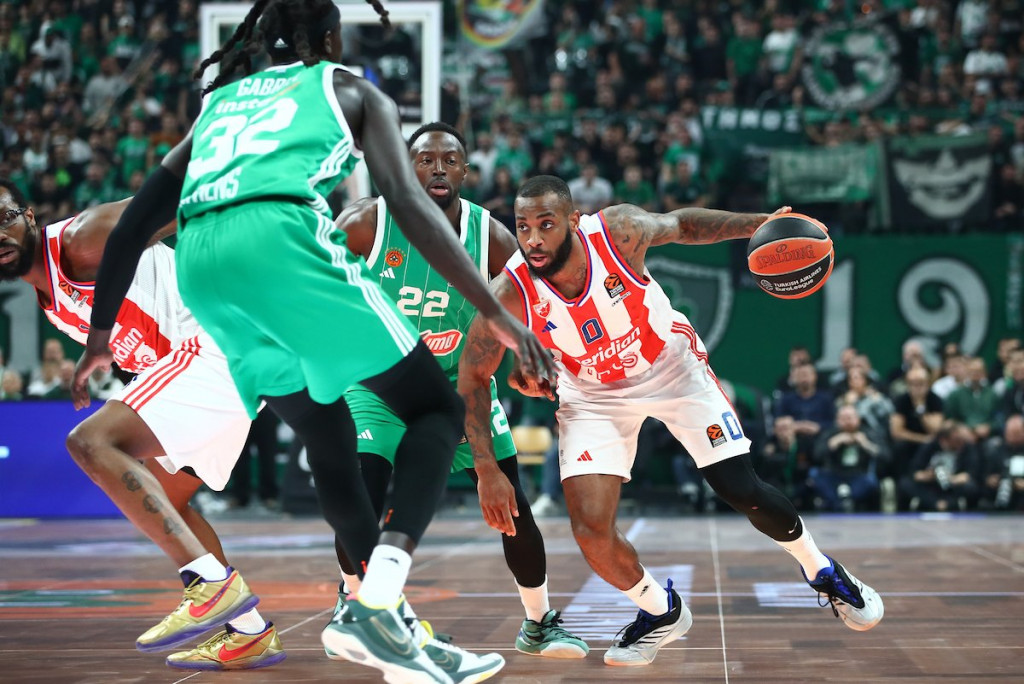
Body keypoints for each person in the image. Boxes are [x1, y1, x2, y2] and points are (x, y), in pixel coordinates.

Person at [72, 2, 552, 682]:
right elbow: (408, 204)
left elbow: (131, 228)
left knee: (328, 434)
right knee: (437, 408)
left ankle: (373, 617)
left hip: (202, 267)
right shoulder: (348, 88)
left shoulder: (219, 105)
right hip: (280, 241)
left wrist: (99, 337)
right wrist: (495, 311)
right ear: (330, 38)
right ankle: (378, 599)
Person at [459, 176, 883, 667]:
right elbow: (472, 376)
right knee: (591, 532)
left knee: (739, 487)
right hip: (592, 393)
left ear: (573, 221)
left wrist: (758, 225)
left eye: (546, 225)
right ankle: (662, 611)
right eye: (523, 227)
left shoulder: (618, 232)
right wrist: (488, 468)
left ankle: (821, 569)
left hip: (669, 365)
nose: (532, 239)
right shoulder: (508, 293)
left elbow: (683, 225)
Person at [0, 181, 284, 670]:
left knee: (90, 441)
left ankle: (210, 584)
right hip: (214, 366)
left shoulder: (81, 240)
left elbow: (188, 200)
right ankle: (248, 633)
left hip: (219, 342)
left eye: (2, 218)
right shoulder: (48, 294)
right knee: (166, 503)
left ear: (27, 215)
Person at [334, 121, 588, 659]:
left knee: (513, 507)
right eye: (426, 160)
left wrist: (526, 356)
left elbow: (533, 301)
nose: (438, 169)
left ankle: (539, 622)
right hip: (380, 386)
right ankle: (354, 607)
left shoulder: (490, 236)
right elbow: (318, 280)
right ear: (408, 169)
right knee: (363, 496)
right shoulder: (366, 224)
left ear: (466, 172)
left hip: (460, 386)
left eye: (449, 160)